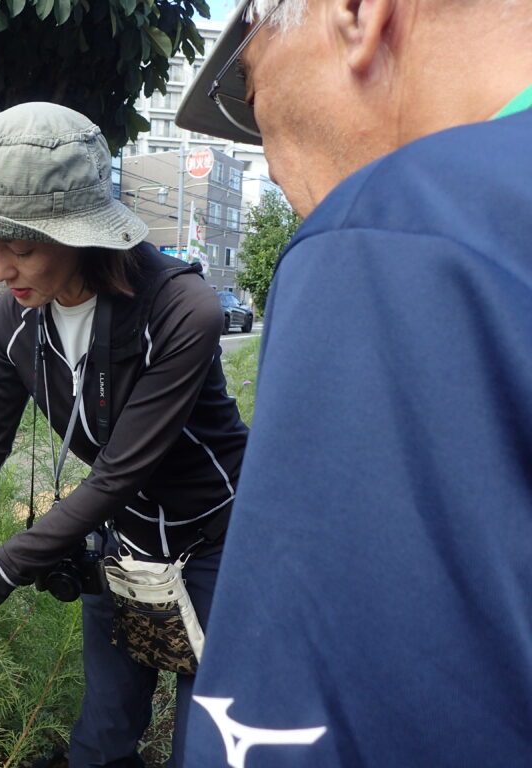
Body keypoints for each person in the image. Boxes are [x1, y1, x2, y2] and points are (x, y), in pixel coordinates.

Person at [0, 102, 249, 767]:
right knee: (99, 744)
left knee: (206, 749)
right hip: (125, 549)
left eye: (19, 245)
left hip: (220, 549)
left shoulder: (180, 311)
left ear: (80, 234)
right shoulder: (11, 322)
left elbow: (119, 474)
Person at [174, 0, 532, 765]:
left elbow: (291, 733)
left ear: (357, 12)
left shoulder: (395, 233)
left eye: (251, 79)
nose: (270, 158)